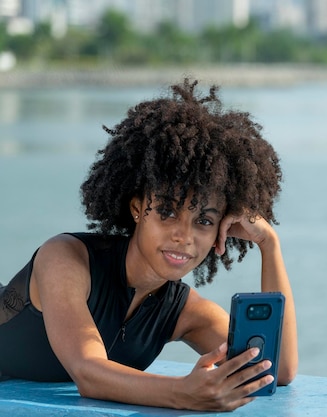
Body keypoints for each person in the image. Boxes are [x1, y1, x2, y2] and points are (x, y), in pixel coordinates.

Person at [0, 79, 298, 412]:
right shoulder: (65, 259)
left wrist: (269, 244)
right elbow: (88, 372)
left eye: (204, 221)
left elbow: (277, 371)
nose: (183, 236)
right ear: (138, 209)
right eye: (168, 212)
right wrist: (183, 393)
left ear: (219, 233)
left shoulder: (184, 312)